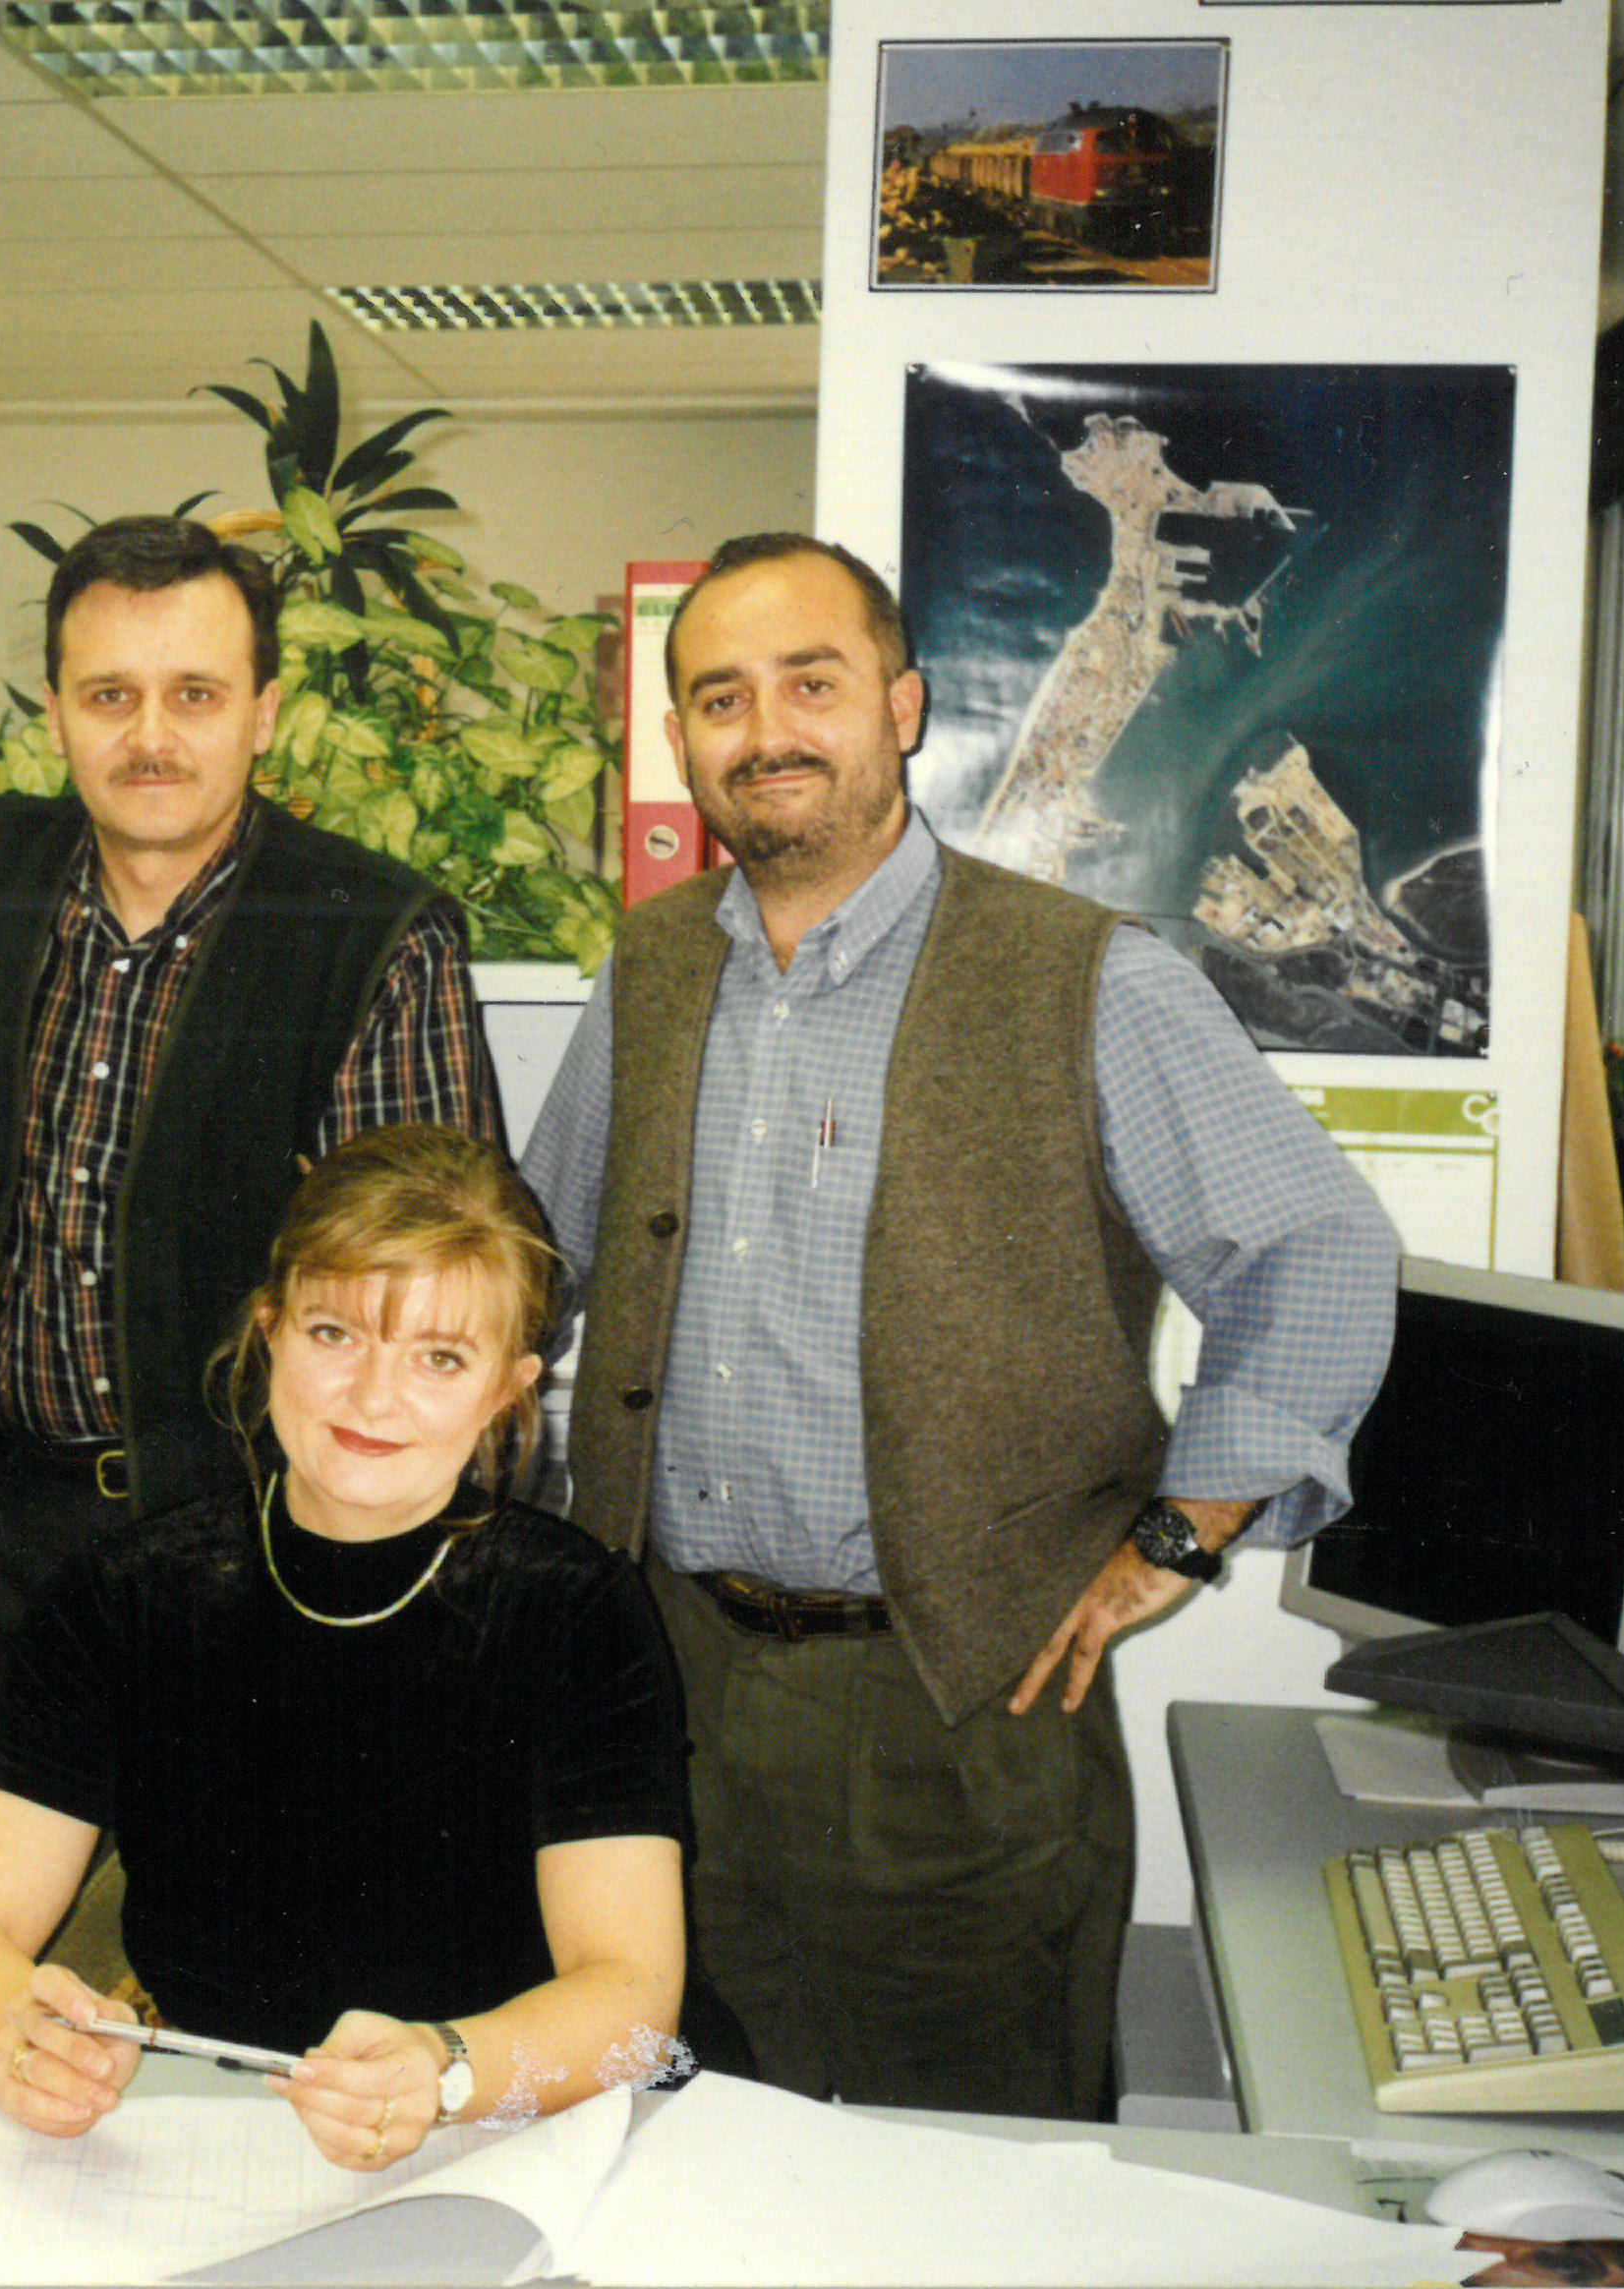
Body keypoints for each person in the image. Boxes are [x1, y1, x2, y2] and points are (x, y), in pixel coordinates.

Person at [519, 531, 1398, 2121]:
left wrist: (1182, 1534)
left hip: (956, 1721)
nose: (765, 726)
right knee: (677, 2155)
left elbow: (1319, 1247)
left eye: (812, 681)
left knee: (960, 2181)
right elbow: (541, 1254)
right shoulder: (648, 968)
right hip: (661, 1694)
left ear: (904, 707)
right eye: (719, 694)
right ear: (682, 739)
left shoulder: (1088, 979)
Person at [0, 515, 503, 1827]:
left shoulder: (372, 933)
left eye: (195, 694)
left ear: (263, 712)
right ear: (57, 711)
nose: (151, 736)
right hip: (4, 1554)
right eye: (111, 696)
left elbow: (436, 1298)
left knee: (245, 1978)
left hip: (262, 1561)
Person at [0, 1126, 686, 2171]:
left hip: (510, 2131)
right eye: (333, 1334)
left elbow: (634, 2013)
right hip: (217, 2137)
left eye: (438, 1357)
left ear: (508, 1388)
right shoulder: (125, 1595)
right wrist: (10, 2036)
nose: (372, 1396)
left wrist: (446, 2072)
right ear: (268, 1331)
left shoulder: (576, 1613)